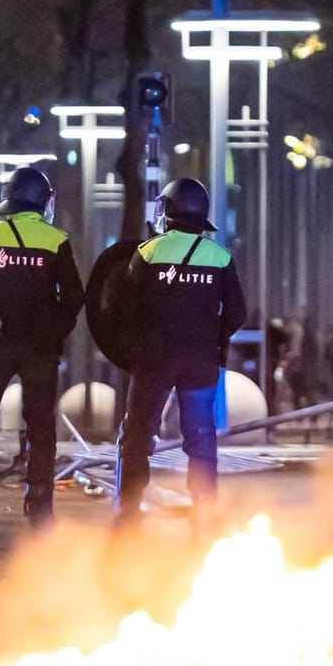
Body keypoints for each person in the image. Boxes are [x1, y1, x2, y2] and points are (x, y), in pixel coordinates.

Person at [0, 167, 84, 533]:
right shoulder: (56, 240)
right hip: (40, 351)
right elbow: (74, 296)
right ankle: (40, 511)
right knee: (40, 429)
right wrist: (52, 331)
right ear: (42, 200)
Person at [113, 178, 246, 535]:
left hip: (154, 362)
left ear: (168, 210)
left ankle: (128, 512)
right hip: (201, 362)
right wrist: (213, 336)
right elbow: (237, 314)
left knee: (138, 433)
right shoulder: (220, 257)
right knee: (201, 436)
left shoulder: (148, 252)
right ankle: (205, 513)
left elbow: (124, 306)